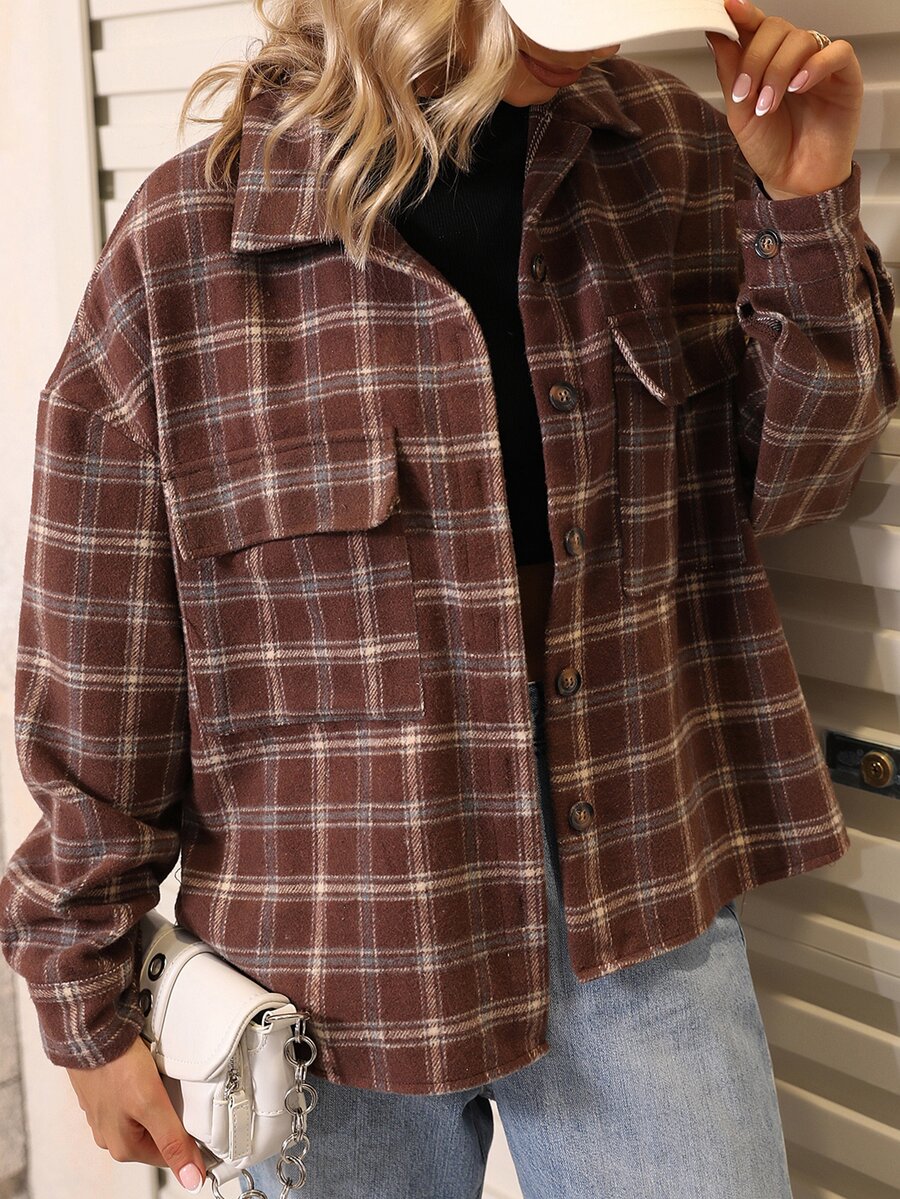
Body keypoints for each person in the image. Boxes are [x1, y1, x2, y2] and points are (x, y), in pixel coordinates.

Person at [1, 0, 897, 1195]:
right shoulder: (190, 246)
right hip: (323, 958)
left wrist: (804, 197)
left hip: (637, 901)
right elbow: (99, 655)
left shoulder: (677, 159)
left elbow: (808, 478)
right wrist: (83, 994)